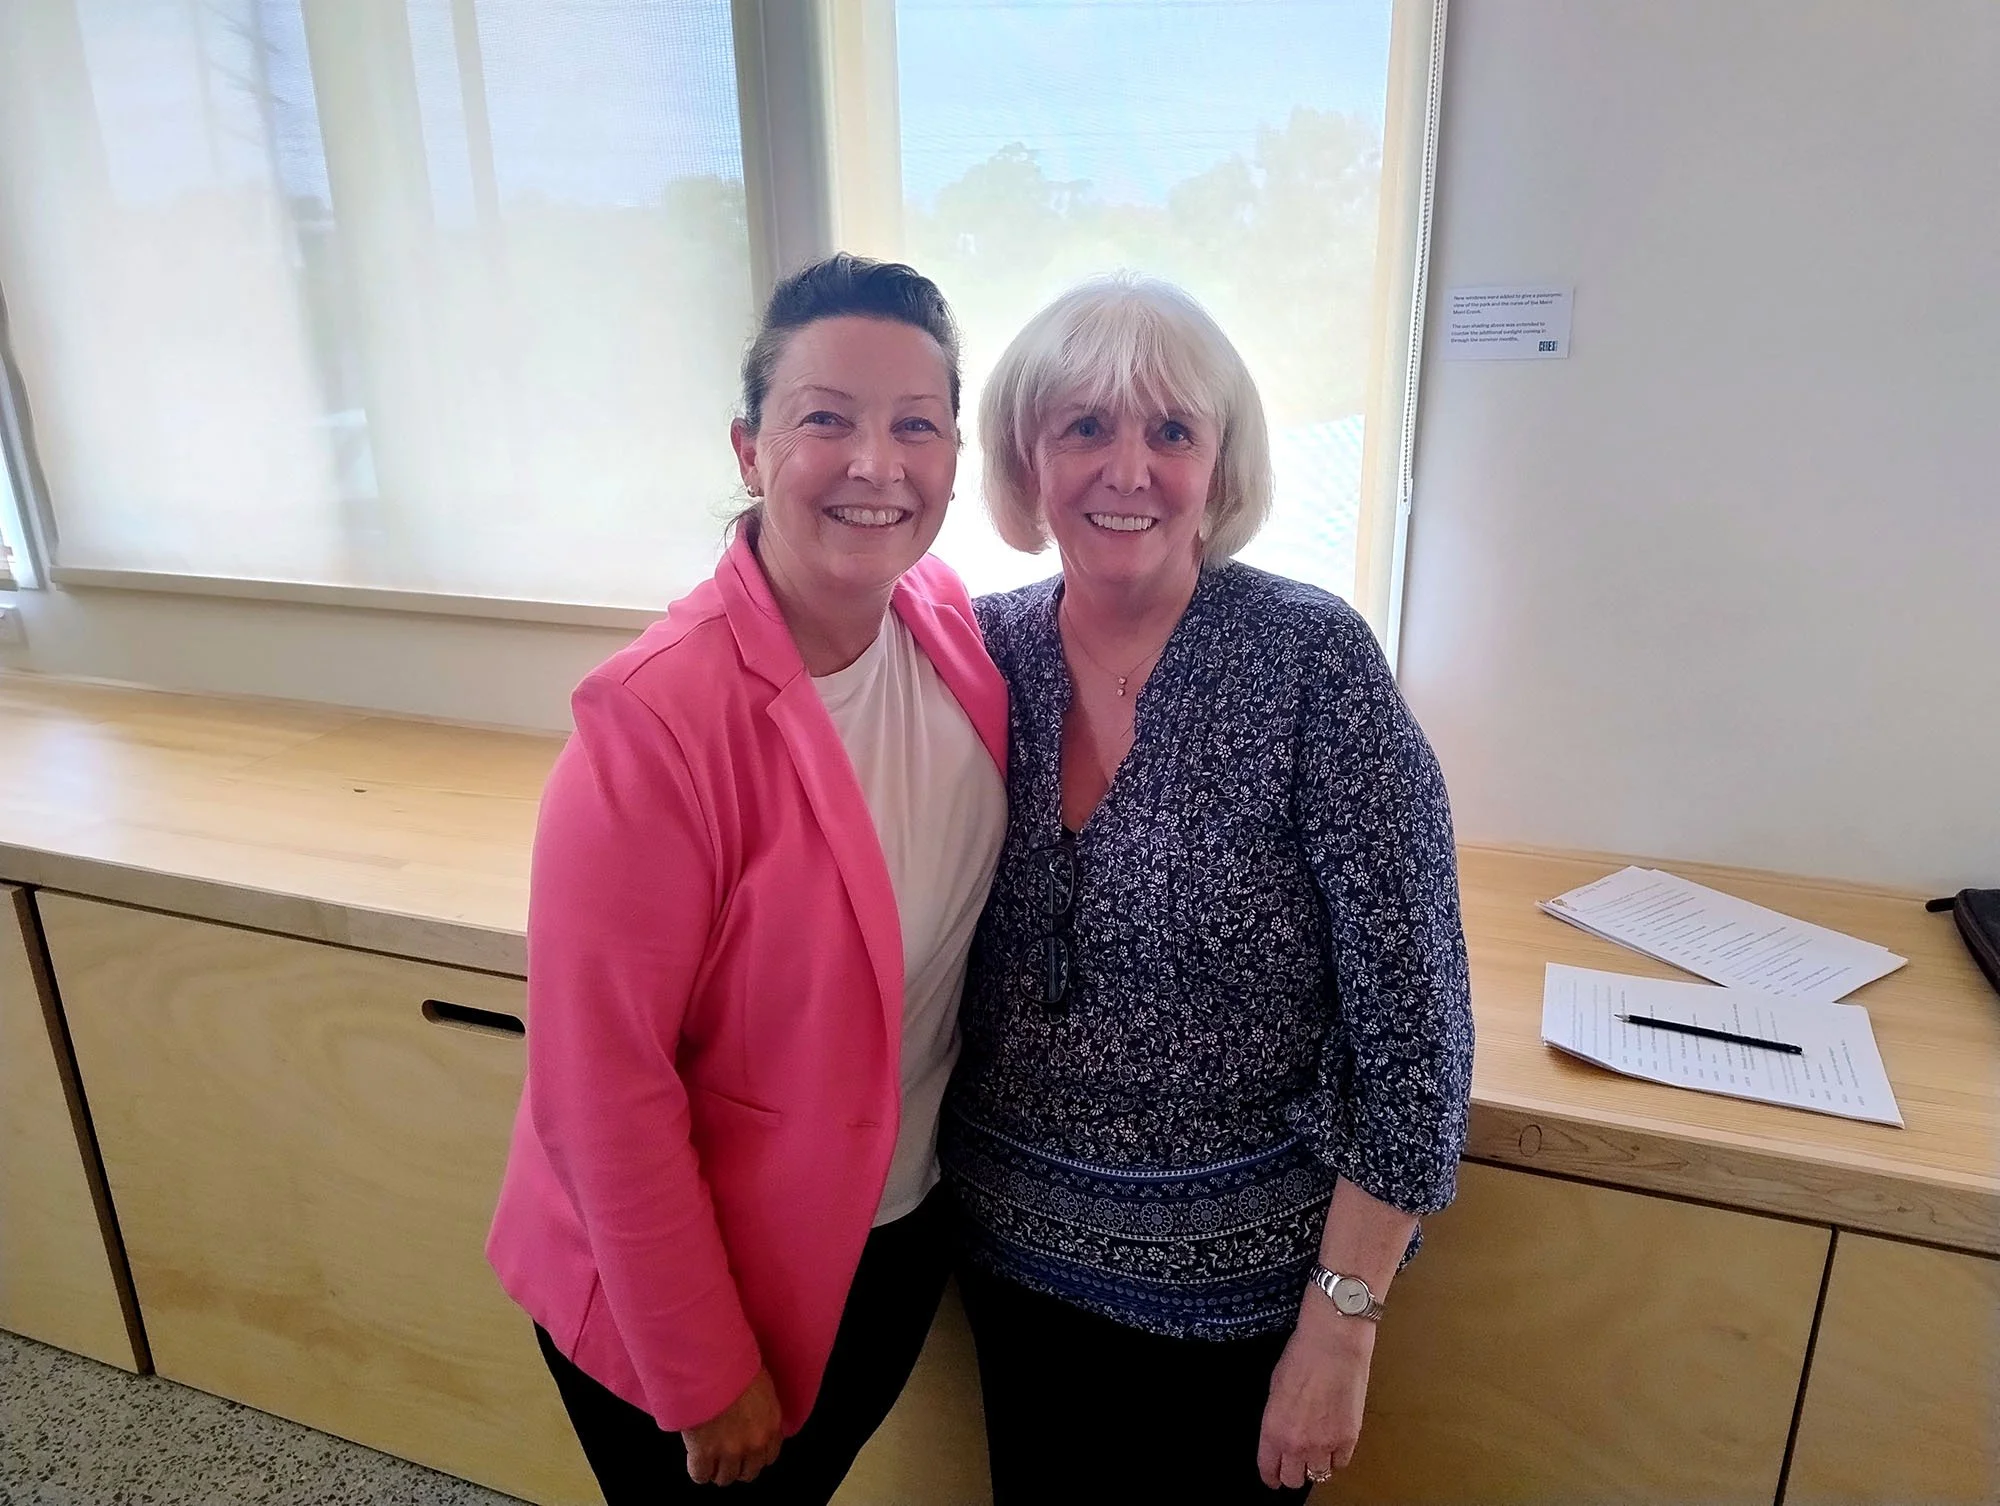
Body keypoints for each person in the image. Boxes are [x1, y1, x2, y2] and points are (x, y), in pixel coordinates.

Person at [940, 275, 1475, 1503]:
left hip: (1236, 1302)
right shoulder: (975, 649)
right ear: (1027, 455)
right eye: (1084, 427)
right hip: (1005, 1259)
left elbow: (1414, 1029)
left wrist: (1341, 1328)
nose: (1126, 469)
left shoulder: (1308, 661)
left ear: (1217, 464)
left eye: (1169, 432)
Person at [487, 255, 1009, 1504]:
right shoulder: (653, 722)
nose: (876, 463)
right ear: (748, 447)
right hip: (698, 1287)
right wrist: (701, 1366)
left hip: (886, 1233)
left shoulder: (939, 618)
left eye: (915, 425)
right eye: (824, 418)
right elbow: (596, 1090)